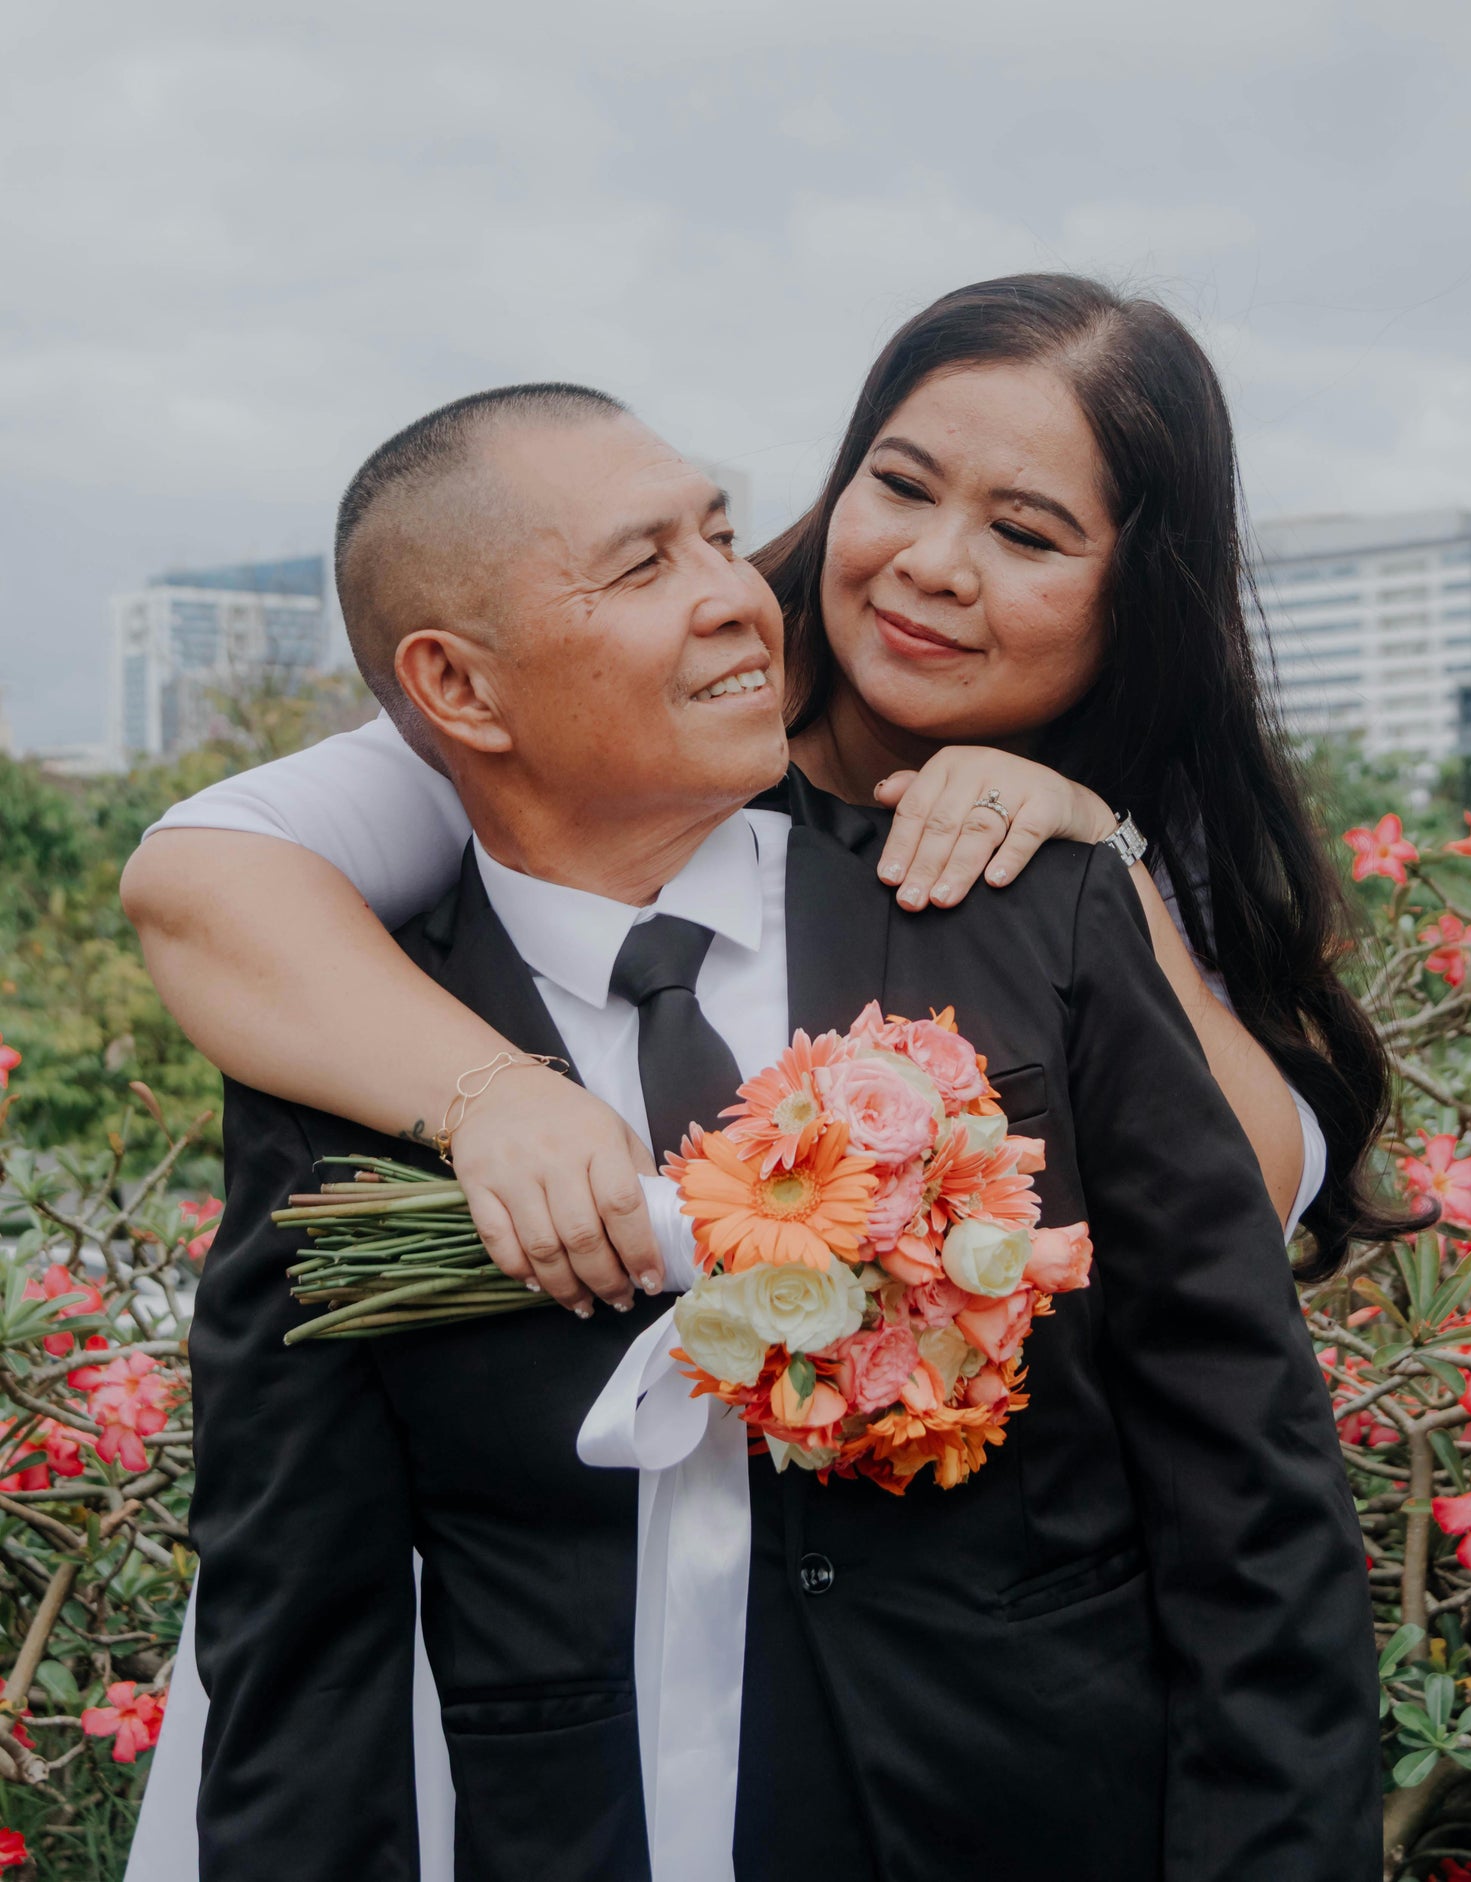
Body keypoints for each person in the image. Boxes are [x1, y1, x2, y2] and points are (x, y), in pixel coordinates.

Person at [158, 381, 1377, 1881]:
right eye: (645, 565)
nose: (740, 596)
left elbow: (1244, 1484)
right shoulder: (350, 1046)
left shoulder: (1024, 922)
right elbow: (300, 1617)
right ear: (459, 691)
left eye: (724, 536)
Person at [124, 277, 1399, 1329]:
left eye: (1025, 534)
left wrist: (1097, 851)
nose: (930, 565)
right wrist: (494, 1095)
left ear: (1141, 596)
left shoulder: (1132, 819)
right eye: (899, 486)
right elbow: (203, 882)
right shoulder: (617, 719)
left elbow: (1240, 1194)